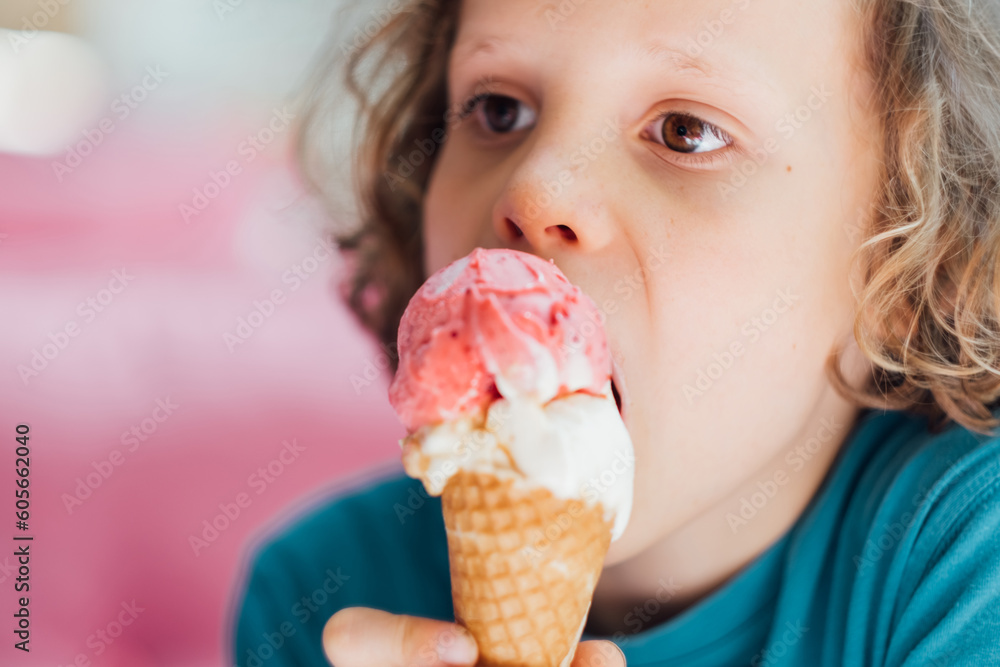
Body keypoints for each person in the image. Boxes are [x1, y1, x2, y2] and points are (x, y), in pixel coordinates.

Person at [231, 0, 1000, 664]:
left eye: (686, 131)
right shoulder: (321, 601)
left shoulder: (968, 561)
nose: (535, 187)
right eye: (500, 110)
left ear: (907, 260)